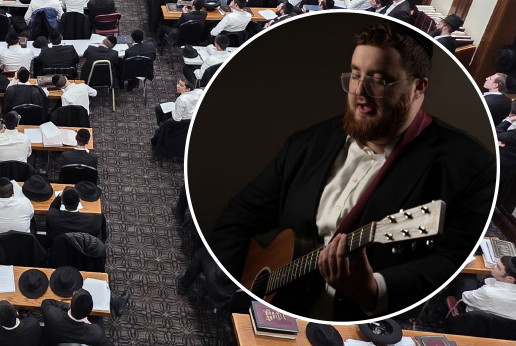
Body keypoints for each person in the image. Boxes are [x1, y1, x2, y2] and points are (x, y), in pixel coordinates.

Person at [208, 22, 496, 320]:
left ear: (418, 87)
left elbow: (450, 261)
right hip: (275, 308)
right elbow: (243, 212)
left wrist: (373, 289)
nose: (359, 91)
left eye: (379, 80)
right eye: (355, 75)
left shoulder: (472, 166)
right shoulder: (309, 143)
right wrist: (227, 277)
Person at [455, 255, 516, 321]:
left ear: (510, 279)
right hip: (502, 323)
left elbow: (465, 297)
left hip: (472, 319)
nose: (492, 266)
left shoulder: (488, 292)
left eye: (498, 267)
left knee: (465, 278)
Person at [41, 289, 105, 345]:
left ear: (70, 304)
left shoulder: (52, 315)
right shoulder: (96, 333)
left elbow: (46, 302)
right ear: (90, 312)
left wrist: (69, 306)